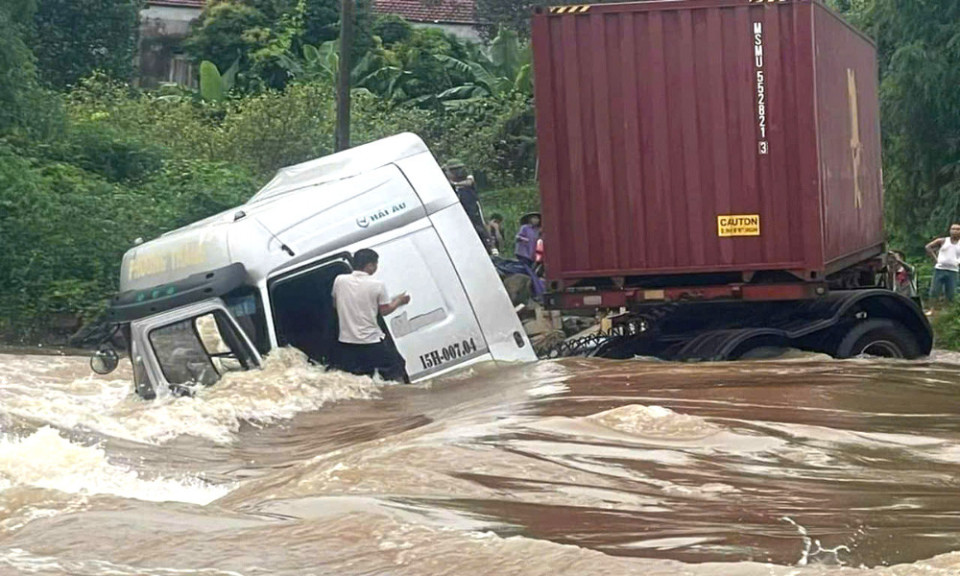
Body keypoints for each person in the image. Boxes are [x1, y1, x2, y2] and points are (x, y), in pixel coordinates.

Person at [332, 249, 410, 381]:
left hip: (347, 342)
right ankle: (399, 398)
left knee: (362, 377)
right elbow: (384, 310)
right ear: (369, 265)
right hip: (371, 341)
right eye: (375, 264)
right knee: (396, 368)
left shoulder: (340, 280)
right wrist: (399, 301)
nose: (376, 267)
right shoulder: (377, 285)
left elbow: (335, 303)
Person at [443, 159, 494, 253]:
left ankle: (491, 245)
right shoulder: (448, 183)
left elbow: (469, 182)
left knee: (480, 226)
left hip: (473, 206)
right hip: (461, 209)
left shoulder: (468, 178)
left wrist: (454, 184)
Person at [926, 224, 960, 302]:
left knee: (951, 293)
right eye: (953, 229)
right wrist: (935, 259)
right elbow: (928, 247)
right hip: (940, 269)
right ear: (950, 231)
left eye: (957, 229)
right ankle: (932, 309)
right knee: (934, 290)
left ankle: (948, 311)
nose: (955, 231)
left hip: (953, 270)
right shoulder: (943, 240)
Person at [515, 212, 545, 298]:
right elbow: (517, 237)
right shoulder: (525, 228)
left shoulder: (537, 230)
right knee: (530, 273)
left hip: (532, 255)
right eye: (534, 218)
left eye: (537, 218)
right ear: (529, 220)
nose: (536, 220)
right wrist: (525, 240)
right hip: (523, 253)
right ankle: (538, 291)